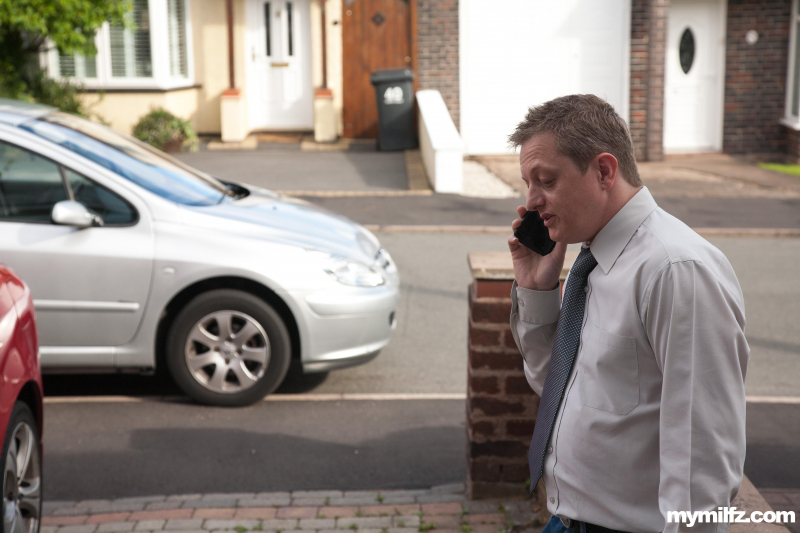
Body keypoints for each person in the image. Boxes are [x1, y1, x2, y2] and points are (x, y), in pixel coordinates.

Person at [506, 94, 749, 533]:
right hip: (565, 521)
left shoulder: (675, 270)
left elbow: (702, 459)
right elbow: (557, 388)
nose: (532, 200)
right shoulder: (594, 257)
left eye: (546, 180)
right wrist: (536, 289)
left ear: (603, 171)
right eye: (529, 183)